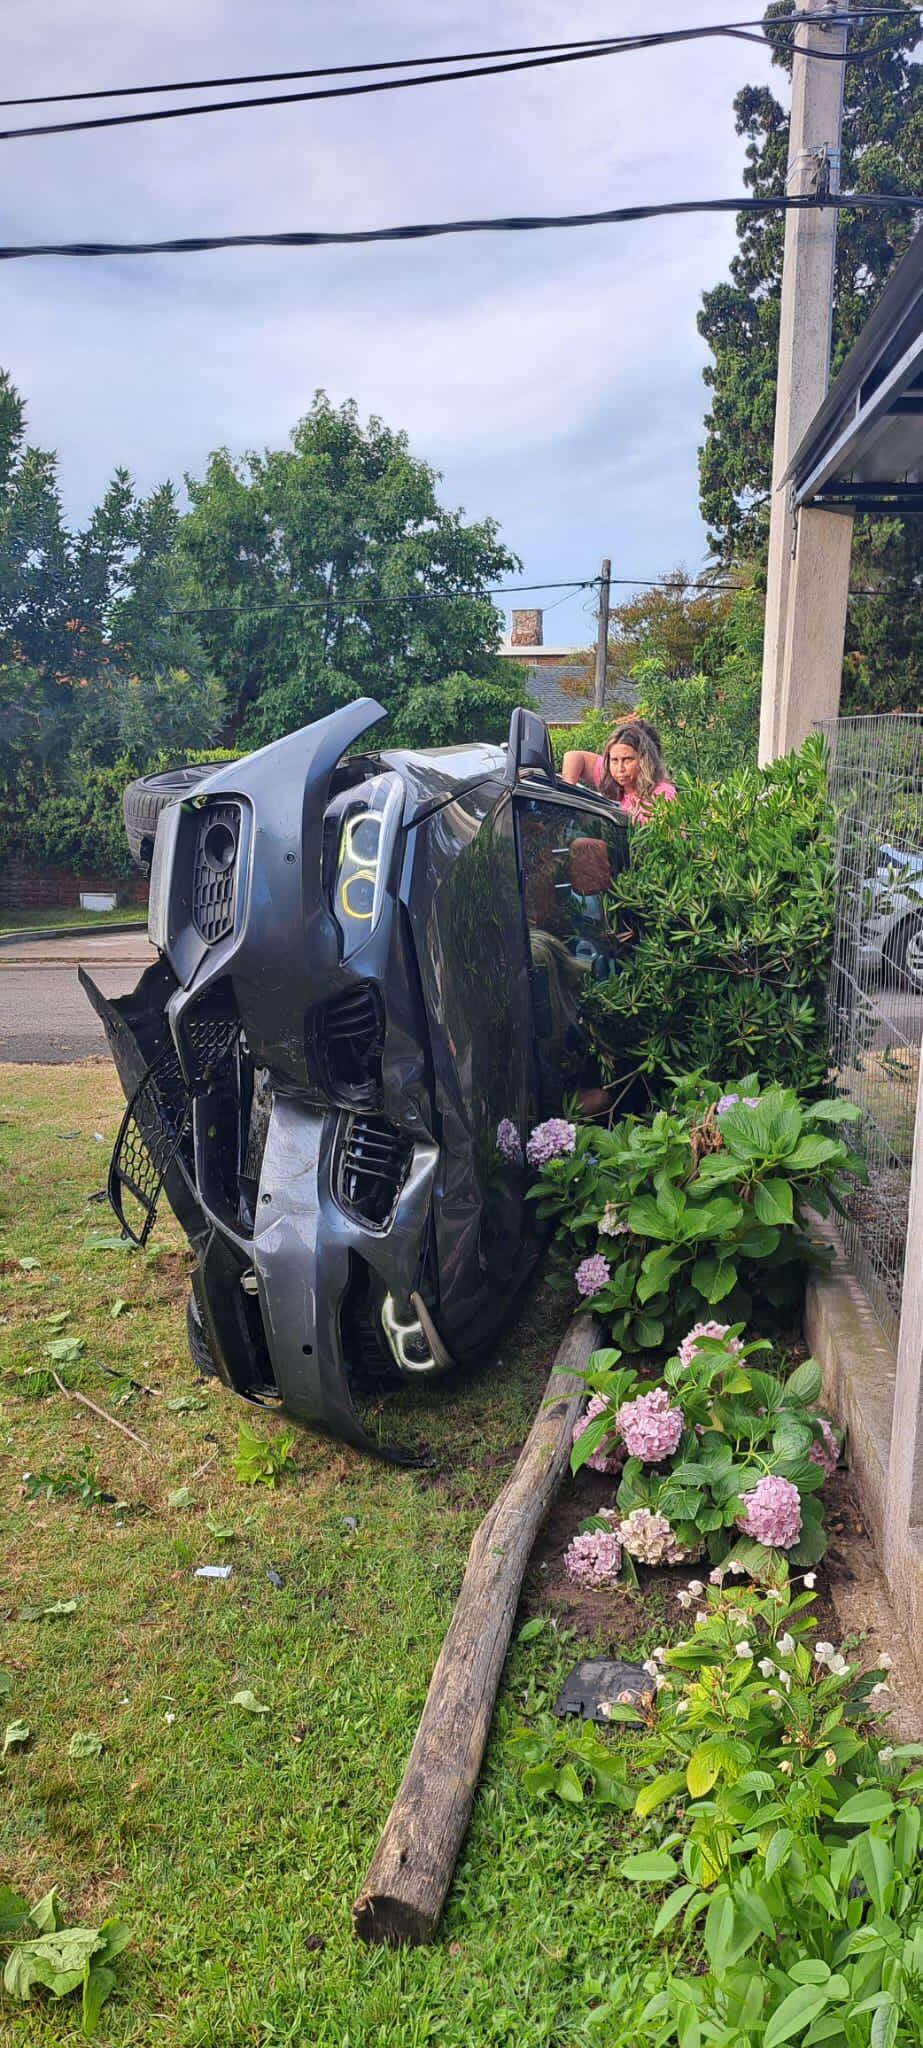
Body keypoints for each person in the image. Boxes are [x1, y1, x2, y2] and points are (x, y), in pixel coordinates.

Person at [561, 718, 677, 822]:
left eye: (627, 760)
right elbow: (573, 757)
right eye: (614, 760)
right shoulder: (614, 771)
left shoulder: (663, 794)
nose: (620, 769)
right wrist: (568, 795)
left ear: (644, 760)